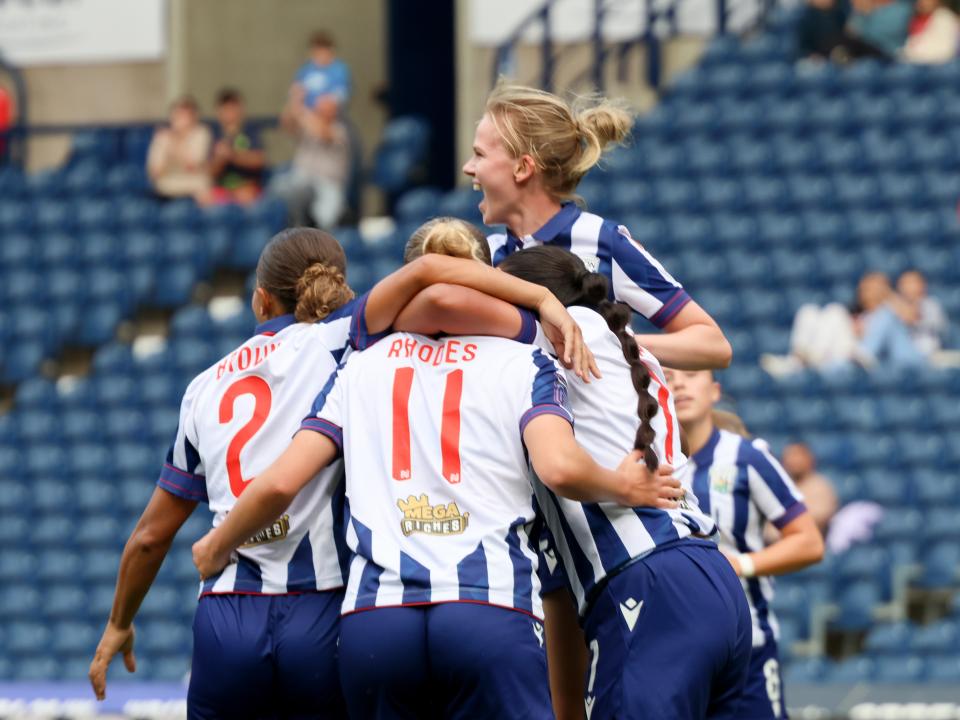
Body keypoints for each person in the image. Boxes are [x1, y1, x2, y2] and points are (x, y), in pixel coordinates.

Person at [88, 224, 593, 716]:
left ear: (261, 300)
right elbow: (436, 285)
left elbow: (151, 536)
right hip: (329, 605)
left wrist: (119, 622)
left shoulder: (205, 387)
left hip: (233, 609)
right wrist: (541, 305)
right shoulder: (346, 339)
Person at [192, 224, 681, 719]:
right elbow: (559, 464)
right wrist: (622, 484)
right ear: (489, 279)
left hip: (376, 618)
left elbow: (281, 479)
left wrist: (216, 543)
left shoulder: (359, 363)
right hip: (488, 605)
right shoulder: (527, 357)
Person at [499, 246, 751, 720]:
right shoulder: (625, 344)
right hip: (708, 578)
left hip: (649, 584)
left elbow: (448, 292)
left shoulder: (557, 334)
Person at [464, 82, 733, 371]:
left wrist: (612, 344)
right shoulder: (484, 253)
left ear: (523, 168)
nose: (468, 167)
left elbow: (713, 345)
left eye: (479, 154)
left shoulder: (602, 240)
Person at [666, 369, 825, 720]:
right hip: (673, 654)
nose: (679, 383)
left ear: (715, 391)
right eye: (667, 375)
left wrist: (740, 565)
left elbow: (809, 542)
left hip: (747, 649)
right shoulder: (645, 462)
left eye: (691, 374)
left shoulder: (746, 457)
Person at [768, 271, 927, 374]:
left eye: (871, 289)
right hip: (845, 356)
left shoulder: (892, 312)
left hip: (869, 359)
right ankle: (797, 360)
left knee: (836, 311)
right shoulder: (862, 314)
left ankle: (810, 359)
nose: (866, 294)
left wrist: (886, 295)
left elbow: (911, 317)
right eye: (863, 289)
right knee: (810, 311)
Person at [270, 91, 349, 228]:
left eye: (325, 107)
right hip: (301, 179)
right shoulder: (307, 124)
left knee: (324, 222)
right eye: (319, 107)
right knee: (279, 186)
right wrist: (294, 101)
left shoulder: (340, 130)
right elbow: (286, 123)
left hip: (327, 186)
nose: (321, 110)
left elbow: (322, 132)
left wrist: (300, 109)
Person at [199, 88, 266, 207]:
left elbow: (259, 160)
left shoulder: (250, 131)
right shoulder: (214, 135)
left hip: (247, 188)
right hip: (221, 189)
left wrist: (233, 155)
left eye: (233, 108)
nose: (230, 113)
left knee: (247, 196)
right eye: (226, 109)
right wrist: (220, 159)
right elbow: (210, 172)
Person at [146, 95, 212, 200]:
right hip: (167, 185)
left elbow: (192, 166)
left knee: (204, 188)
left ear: (194, 116)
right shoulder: (162, 136)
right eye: (178, 114)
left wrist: (176, 141)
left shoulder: (201, 133)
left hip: (195, 183)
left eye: (186, 114)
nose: (181, 118)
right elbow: (155, 172)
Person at [780, 443, 839, 537]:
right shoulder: (780, 486)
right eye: (790, 456)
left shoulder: (820, 485)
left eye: (797, 455)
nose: (793, 461)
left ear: (809, 459)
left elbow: (820, 518)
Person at [827, 0, 913, 61]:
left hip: (890, 53)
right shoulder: (864, 11)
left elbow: (879, 36)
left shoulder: (903, 9)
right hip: (867, 55)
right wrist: (863, 13)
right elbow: (850, 33)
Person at [293, 30, 351, 111]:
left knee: (325, 106)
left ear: (330, 51)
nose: (319, 55)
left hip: (329, 112)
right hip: (306, 111)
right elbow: (297, 88)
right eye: (316, 51)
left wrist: (328, 101)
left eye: (322, 51)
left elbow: (341, 94)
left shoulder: (339, 69)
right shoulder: (306, 69)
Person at [896, 269, 948, 357]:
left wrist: (916, 317)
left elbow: (941, 327)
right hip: (902, 345)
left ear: (922, 285)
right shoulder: (895, 305)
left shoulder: (931, 304)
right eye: (904, 283)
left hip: (926, 343)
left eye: (912, 282)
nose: (908, 287)